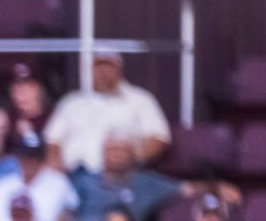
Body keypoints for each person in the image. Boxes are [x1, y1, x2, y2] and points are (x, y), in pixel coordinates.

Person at [43, 51, 171, 173]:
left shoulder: (140, 100)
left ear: (119, 70)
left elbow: (158, 138)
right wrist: (56, 164)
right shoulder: (72, 102)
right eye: (97, 66)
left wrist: (134, 158)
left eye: (108, 65)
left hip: (116, 176)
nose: (102, 71)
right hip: (72, 174)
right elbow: (53, 140)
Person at [0, 129, 75, 221]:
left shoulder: (59, 183)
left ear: (42, 159)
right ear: (19, 157)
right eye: (26, 156)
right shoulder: (2, 185)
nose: (30, 161)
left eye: (34, 157)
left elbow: (71, 214)